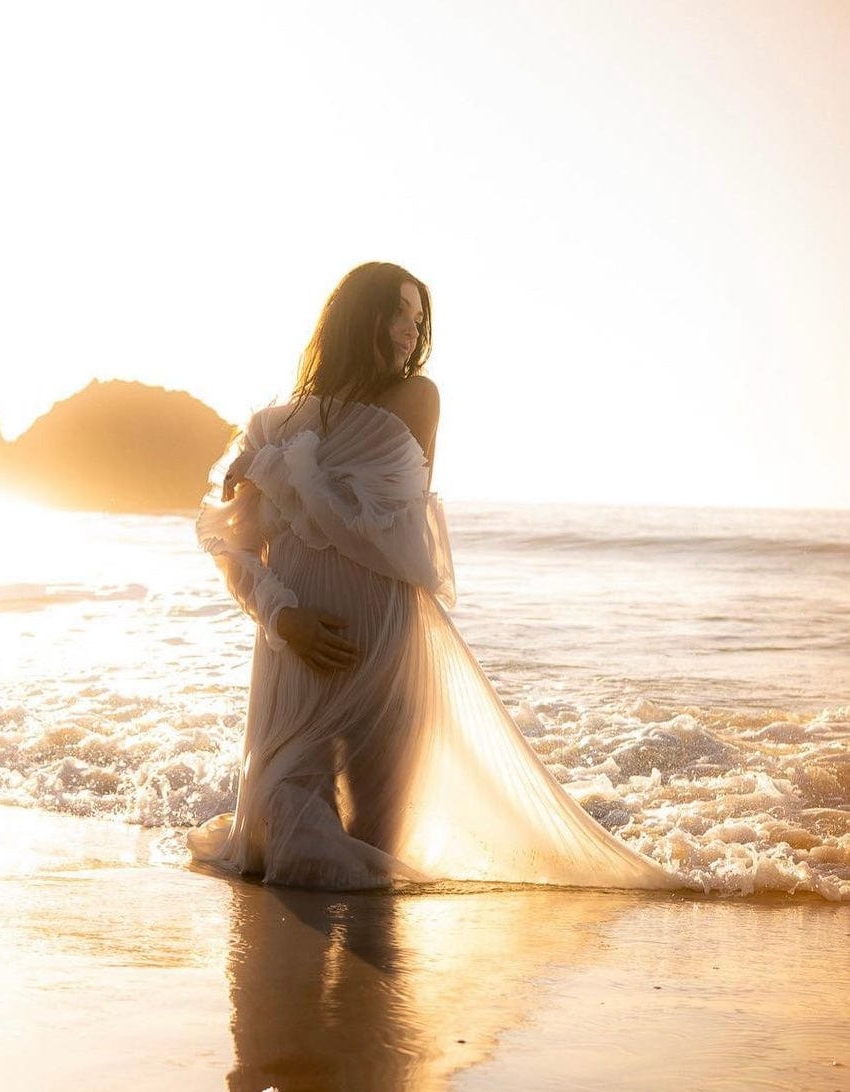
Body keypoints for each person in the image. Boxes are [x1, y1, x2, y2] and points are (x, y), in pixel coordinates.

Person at [190, 262, 682, 892]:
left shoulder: (415, 398)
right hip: (294, 654)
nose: (408, 331)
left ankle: (371, 984)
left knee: (374, 846)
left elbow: (386, 530)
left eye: (417, 319)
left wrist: (291, 470)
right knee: (283, 834)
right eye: (398, 312)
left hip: (385, 648)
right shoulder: (272, 427)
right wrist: (282, 615)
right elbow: (231, 546)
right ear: (355, 315)